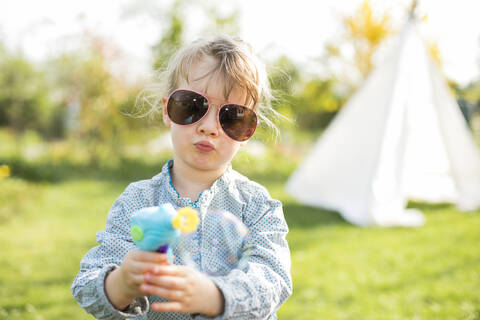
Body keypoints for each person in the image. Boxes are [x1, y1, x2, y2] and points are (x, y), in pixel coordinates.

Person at [71, 34, 292, 320]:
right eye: (192, 105)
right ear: (167, 109)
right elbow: (88, 282)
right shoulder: (137, 202)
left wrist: (214, 297)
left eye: (233, 117)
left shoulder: (258, 206)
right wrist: (122, 283)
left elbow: (272, 281)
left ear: (248, 132)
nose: (209, 127)